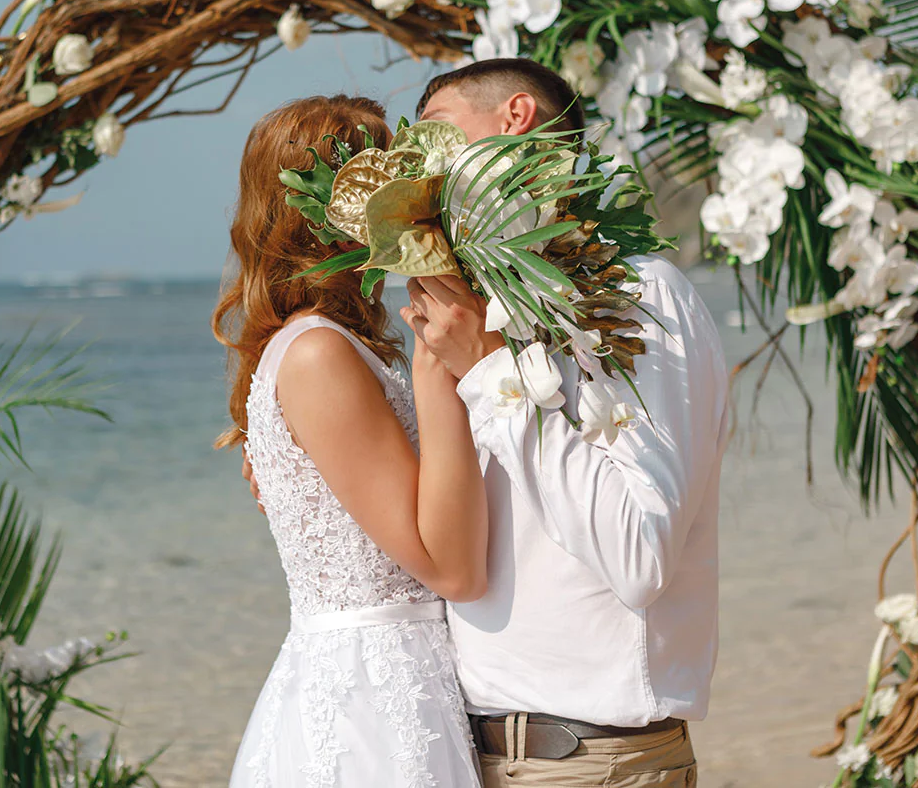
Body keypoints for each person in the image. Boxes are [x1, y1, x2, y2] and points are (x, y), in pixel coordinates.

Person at [404, 58, 730, 787]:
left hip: (593, 763)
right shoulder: (472, 320)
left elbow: (639, 556)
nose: (412, 166)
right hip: (467, 756)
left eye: (433, 131)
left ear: (515, 118)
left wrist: (492, 373)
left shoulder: (639, 296)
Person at [215, 94, 487, 788]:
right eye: (388, 180)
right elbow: (451, 569)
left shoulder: (326, 350)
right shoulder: (316, 356)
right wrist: (437, 370)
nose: (413, 201)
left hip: (393, 675)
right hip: (373, 697)